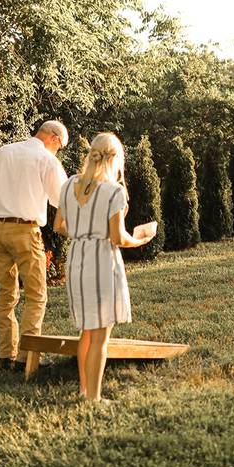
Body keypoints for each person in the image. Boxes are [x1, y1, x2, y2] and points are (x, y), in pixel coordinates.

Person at [53, 132, 155, 402]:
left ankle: (84, 389)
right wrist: (142, 239)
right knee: (100, 335)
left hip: (76, 260)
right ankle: (94, 398)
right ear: (116, 159)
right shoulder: (113, 192)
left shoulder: (68, 185)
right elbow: (117, 238)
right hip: (101, 261)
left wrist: (81, 233)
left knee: (86, 330)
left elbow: (58, 226)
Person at [0, 120, 68, 371]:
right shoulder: (47, 160)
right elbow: (61, 198)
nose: (58, 150)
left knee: (6, 294)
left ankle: (5, 356)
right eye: (61, 146)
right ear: (53, 138)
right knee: (36, 295)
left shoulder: (3, 152)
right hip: (26, 231)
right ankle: (26, 358)